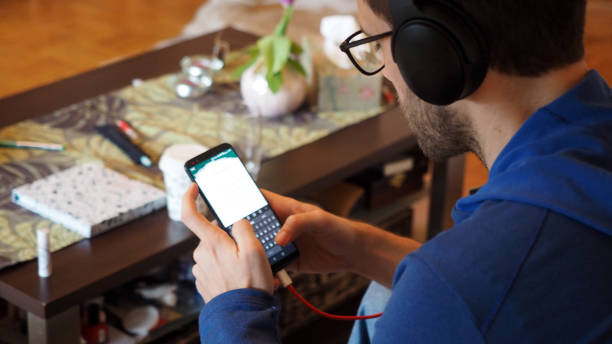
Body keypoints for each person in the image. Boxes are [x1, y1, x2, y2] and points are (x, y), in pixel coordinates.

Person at [181, 0, 612, 342]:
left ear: (435, 50)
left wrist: (234, 312)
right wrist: (360, 248)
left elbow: (466, 295)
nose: (384, 72)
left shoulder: (455, 287)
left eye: (374, 43)